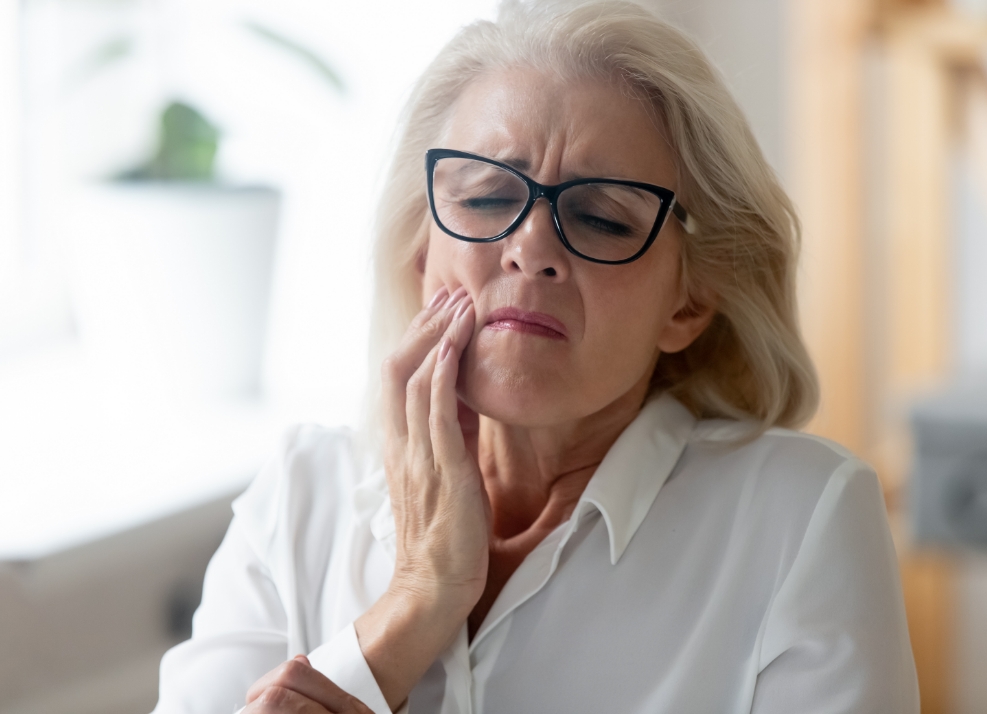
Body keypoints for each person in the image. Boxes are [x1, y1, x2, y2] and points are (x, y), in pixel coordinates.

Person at [153, 1, 920, 712]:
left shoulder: (798, 518)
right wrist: (412, 608)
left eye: (600, 217)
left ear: (687, 304)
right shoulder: (300, 496)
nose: (530, 248)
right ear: (423, 248)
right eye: (486, 197)